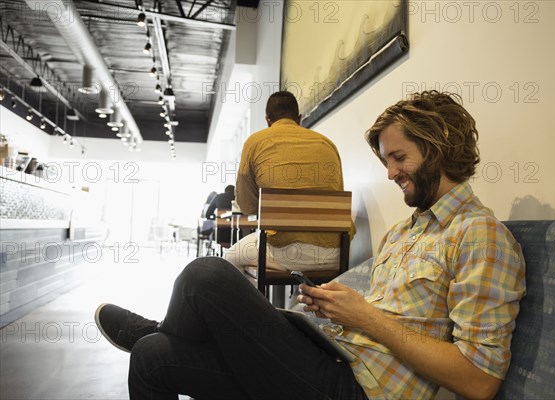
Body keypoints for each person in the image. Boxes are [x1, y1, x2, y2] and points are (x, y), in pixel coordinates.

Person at [95, 90, 525, 400]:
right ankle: (157, 335)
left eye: (399, 158)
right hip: (332, 353)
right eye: (387, 161)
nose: (391, 174)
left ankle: (162, 327)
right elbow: (383, 313)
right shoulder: (404, 231)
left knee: (206, 272)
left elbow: (479, 380)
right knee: (151, 358)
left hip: (356, 388)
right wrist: (341, 306)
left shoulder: (479, 235)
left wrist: (367, 318)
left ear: (437, 148)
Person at [223, 90, 347, 271]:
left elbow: (247, 207)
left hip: (283, 252)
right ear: (299, 118)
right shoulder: (327, 144)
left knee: (227, 261)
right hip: (336, 253)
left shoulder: (255, 142)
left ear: (267, 120)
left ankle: (251, 300)